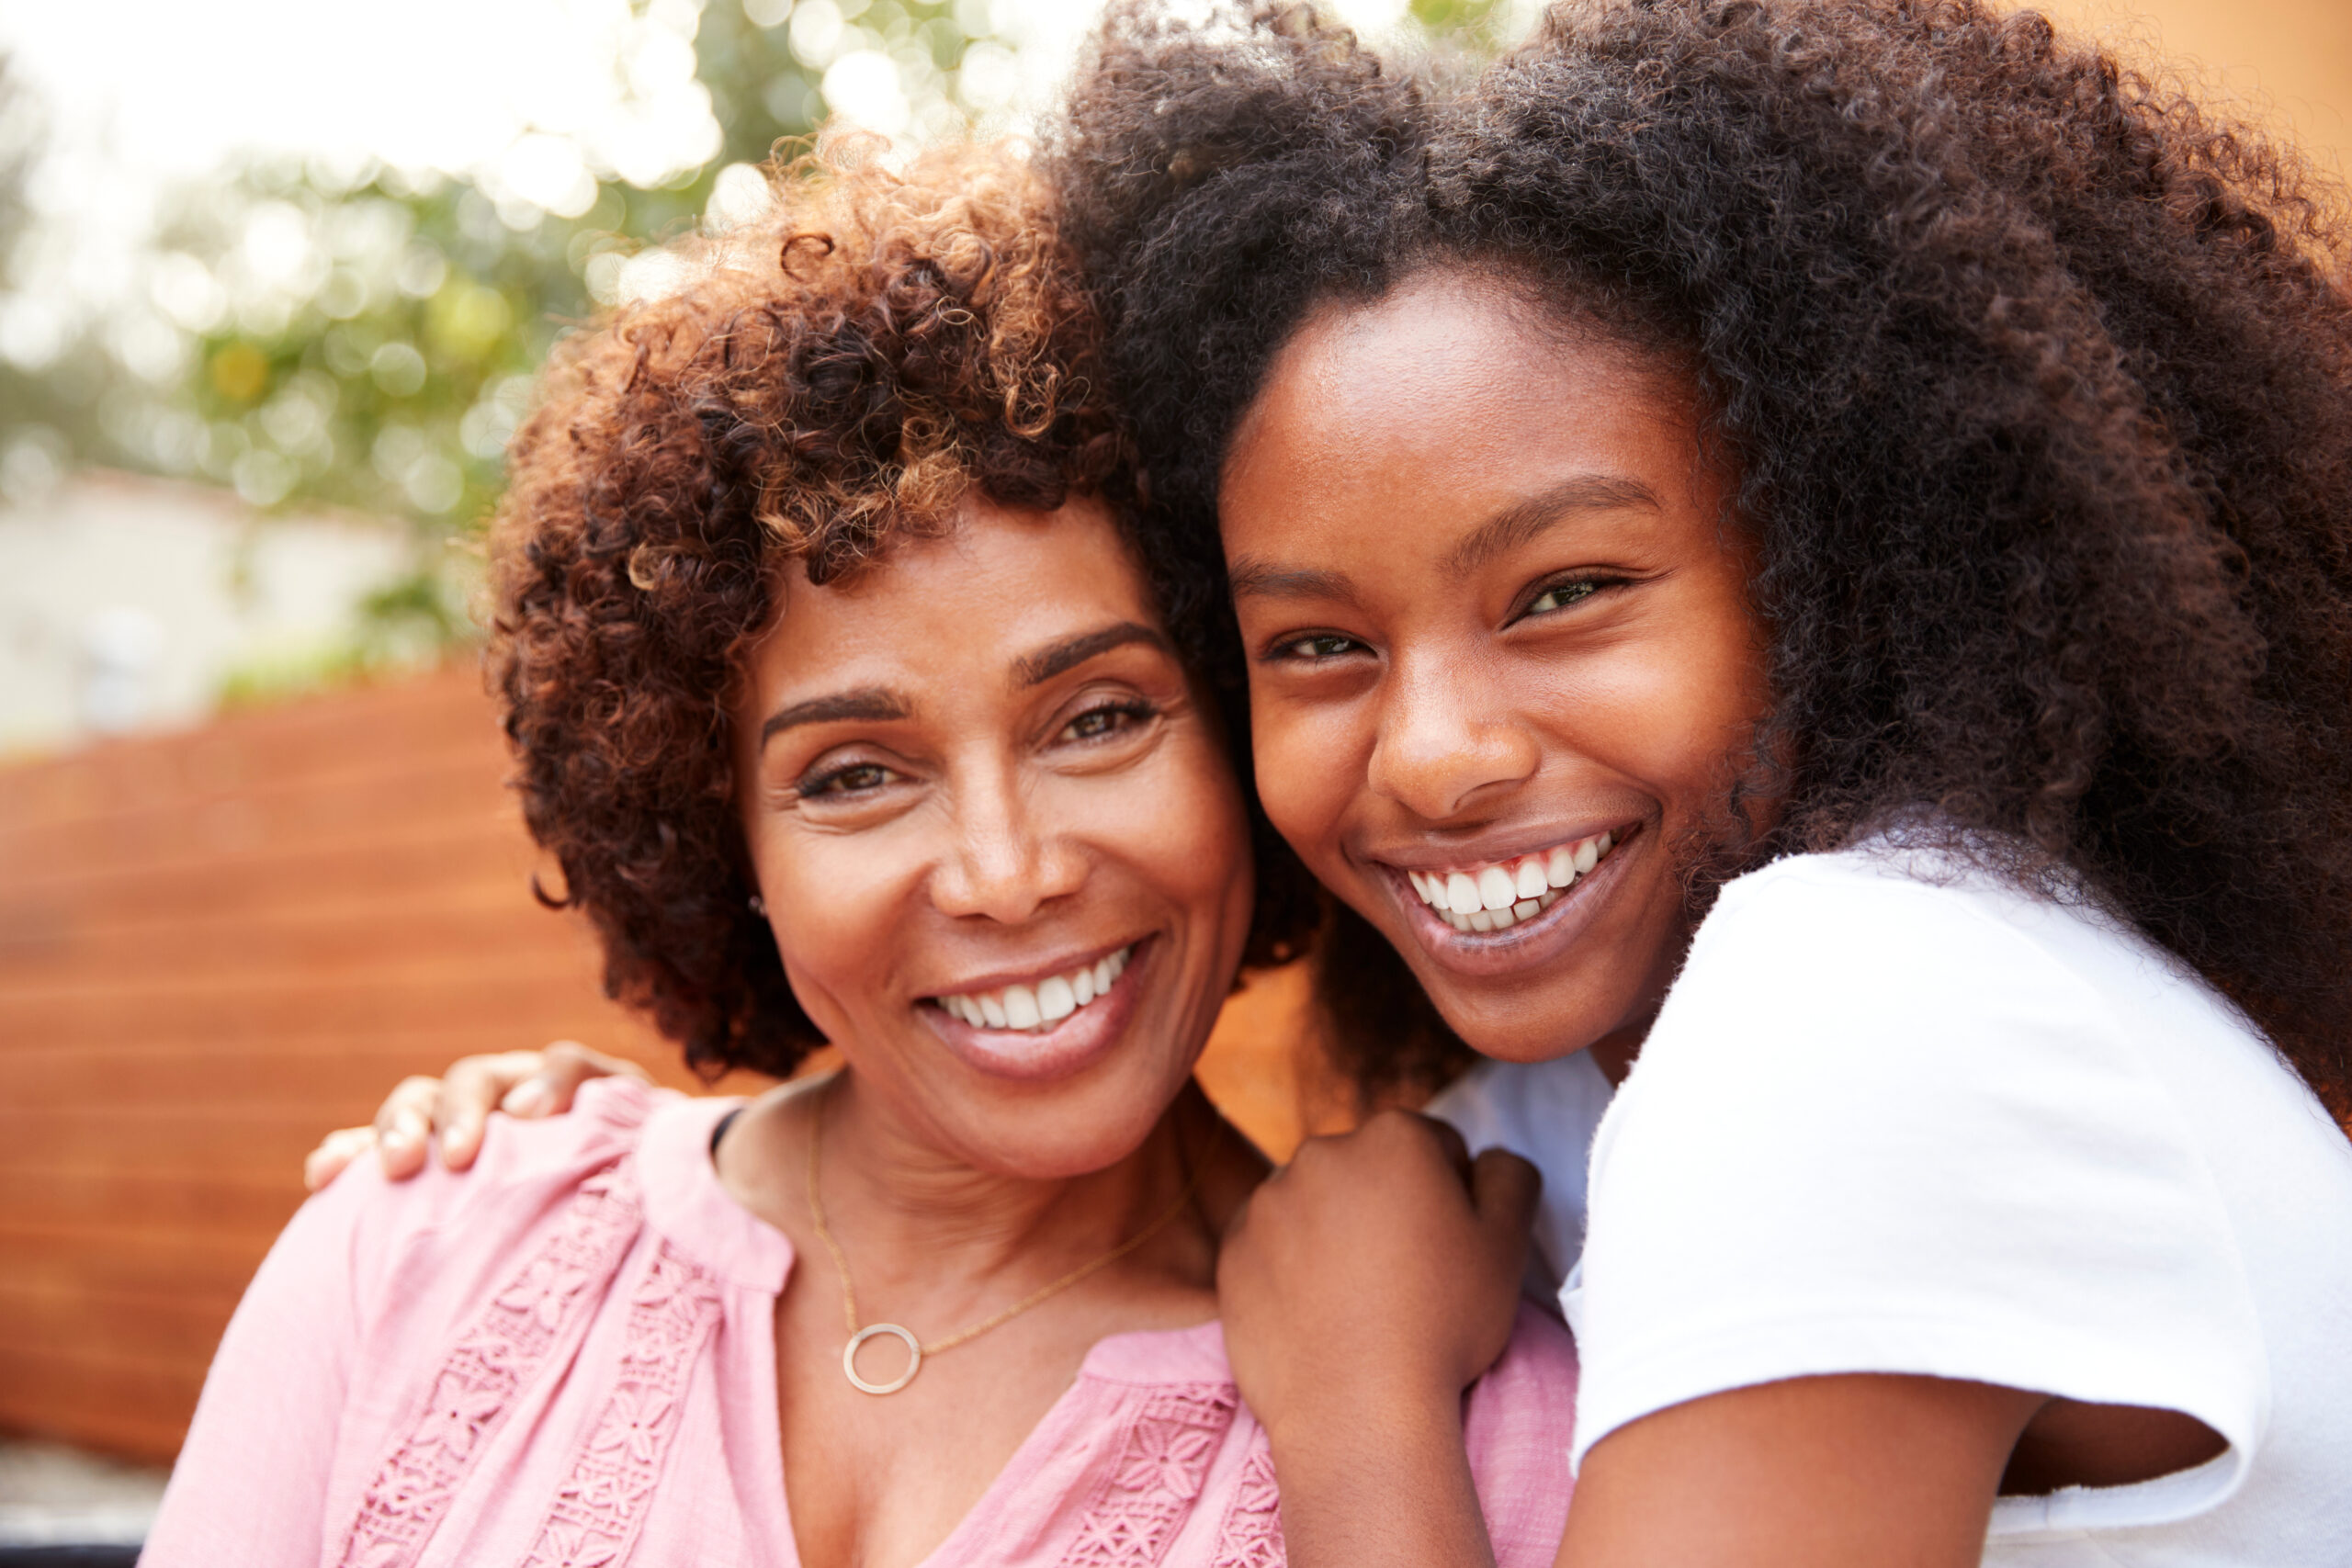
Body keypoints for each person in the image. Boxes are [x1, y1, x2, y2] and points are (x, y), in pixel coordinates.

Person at [310, 1, 2352, 1561]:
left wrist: (1358, 1414)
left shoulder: (1863, 1009)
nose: (1435, 750)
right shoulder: (1595, 1095)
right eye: (1314, 645)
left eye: (1562, 589)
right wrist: (571, 1161)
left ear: (1840, 575)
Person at [144, 141, 1578, 1568]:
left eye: (1096, 719)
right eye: (853, 775)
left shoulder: (1463, 1425)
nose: (1006, 873)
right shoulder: (421, 1256)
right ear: (725, 842)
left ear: (1240, 732)